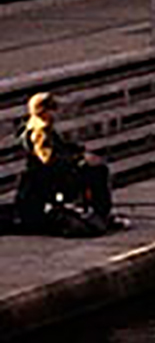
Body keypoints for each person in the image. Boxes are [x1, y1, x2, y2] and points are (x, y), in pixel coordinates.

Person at [14, 93, 116, 238]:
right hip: (51, 179)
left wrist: (80, 152)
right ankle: (100, 213)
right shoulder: (40, 131)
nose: (56, 113)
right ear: (44, 111)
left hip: (55, 174)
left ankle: (99, 213)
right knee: (97, 172)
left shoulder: (42, 126)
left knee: (95, 168)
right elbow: (49, 159)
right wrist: (78, 159)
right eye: (53, 109)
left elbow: (61, 147)